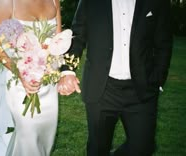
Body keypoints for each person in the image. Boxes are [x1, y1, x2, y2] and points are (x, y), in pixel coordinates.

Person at [58, 0, 173, 155]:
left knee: (143, 148)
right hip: (102, 89)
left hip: (141, 90)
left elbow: (163, 41)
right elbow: (78, 35)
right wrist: (67, 71)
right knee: (98, 149)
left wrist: (158, 80)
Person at [0, 0, 61, 155]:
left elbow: (58, 40)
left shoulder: (54, 1)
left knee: (46, 134)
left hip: (47, 81)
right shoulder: (8, 2)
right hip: (20, 82)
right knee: (27, 134)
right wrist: (20, 71)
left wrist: (51, 67)